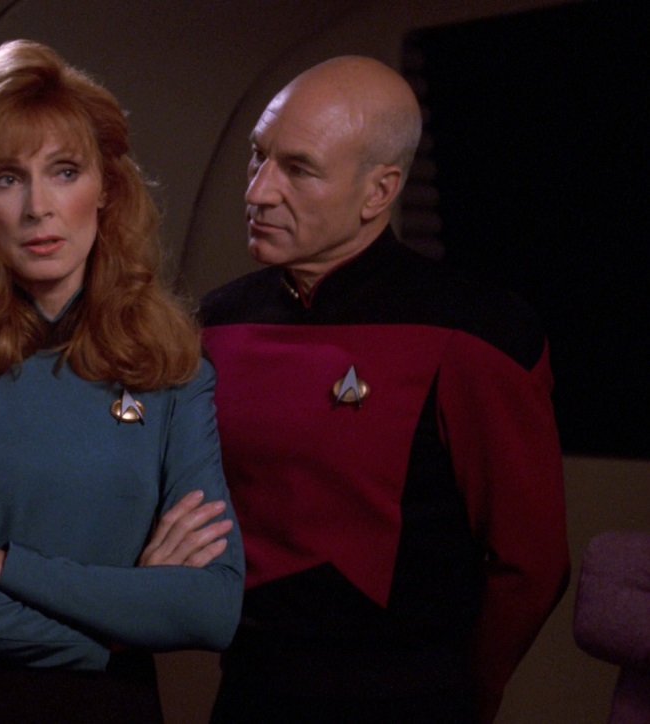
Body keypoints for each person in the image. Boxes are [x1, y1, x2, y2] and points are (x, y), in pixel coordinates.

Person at [0, 39, 243, 723]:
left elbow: (209, 607)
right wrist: (112, 629)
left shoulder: (169, 365)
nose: (38, 207)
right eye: (7, 178)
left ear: (106, 187)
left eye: (64, 171)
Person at [201, 55, 569, 723]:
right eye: (257, 156)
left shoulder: (474, 331)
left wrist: (468, 695)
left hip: (406, 700)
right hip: (246, 691)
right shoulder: (215, 322)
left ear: (379, 192)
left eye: (298, 169)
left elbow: (531, 564)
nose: (257, 191)